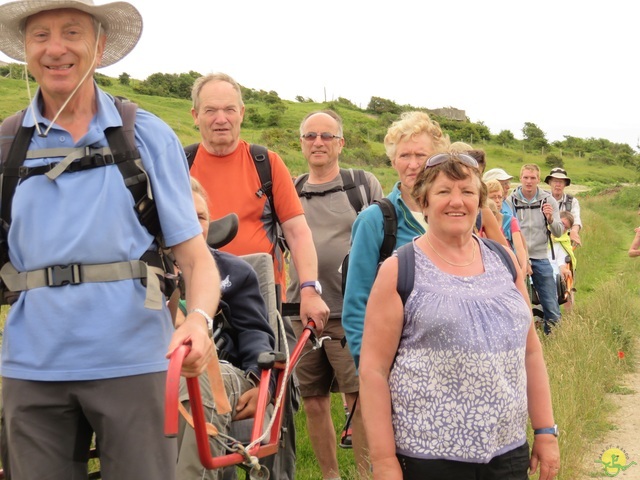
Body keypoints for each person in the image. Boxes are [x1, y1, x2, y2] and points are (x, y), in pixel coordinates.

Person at [0, 2, 220, 479]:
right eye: (40, 36)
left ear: (98, 47)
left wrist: (198, 323)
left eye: (71, 32)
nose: (56, 48)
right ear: (26, 52)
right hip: (31, 369)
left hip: (136, 363)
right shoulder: (6, 145)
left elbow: (199, 263)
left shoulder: (144, 136)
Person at [359, 153, 560, 480]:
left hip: (507, 451)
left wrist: (545, 430)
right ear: (424, 202)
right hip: (429, 458)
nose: (457, 201)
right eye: (443, 192)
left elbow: (531, 351)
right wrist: (383, 462)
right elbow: (373, 371)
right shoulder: (400, 270)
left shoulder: (503, 261)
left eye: (467, 192)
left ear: (479, 201)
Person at [188, 72, 329, 480]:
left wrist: (309, 288)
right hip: (190, 287)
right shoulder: (180, 162)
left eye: (229, 109)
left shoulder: (264, 163)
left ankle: (273, 471)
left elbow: (298, 231)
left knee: (273, 388)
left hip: (252, 292)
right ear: (195, 115)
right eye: (211, 110)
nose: (221, 119)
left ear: (242, 114)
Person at [287, 110, 383, 479]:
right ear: (301, 143)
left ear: (341, 143)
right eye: (310, 136)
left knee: (359, 399)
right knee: (312, 401)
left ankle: (363, 474)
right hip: (301, 311)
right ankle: (329, 476)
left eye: (327, 136)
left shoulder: (361, 184)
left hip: (353, 311)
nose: (318, 143)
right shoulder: (291, 190)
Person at [176, 178, 276, 480]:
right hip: (156, 373)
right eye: (183, 215)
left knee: (200, 375)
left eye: (201, 217)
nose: (194, 224)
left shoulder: (235, 271)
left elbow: (256, 334)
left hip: (224, 373)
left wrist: (261, 382)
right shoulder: (142, 270)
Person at [342, 111, 451, 369]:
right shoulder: (375, 221)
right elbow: (357, 304)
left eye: (420, 155)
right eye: (404, 155)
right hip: (397, 364)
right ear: (393, 161)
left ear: (436, 159)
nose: (412, 164)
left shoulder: (453, 215)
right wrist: (370, 372)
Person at [508, 164, 564, 334]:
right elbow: (507, 231)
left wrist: (550, 218)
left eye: (532, 178)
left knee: (552, 307)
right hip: (517, 258)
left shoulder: (548, 200)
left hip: (540, 257)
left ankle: (553, 341)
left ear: (538, 180)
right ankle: (522, 341)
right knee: (516, 304)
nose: (529, 181)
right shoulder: (511, 200)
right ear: (520, 178)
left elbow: (559, 231)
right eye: (526, 177)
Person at [486, 179, 528, 275]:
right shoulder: (480, 221)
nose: (497, 201)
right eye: (493, 197)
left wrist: (523, 268)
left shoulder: (510, 220)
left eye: (499, 197)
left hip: (508, 266)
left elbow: (519, 248)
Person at [544, 167, 582, 246]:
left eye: (561, 182)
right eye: (555, 181)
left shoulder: (572, 201)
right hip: (544, 242)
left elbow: (576, 220)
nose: (558, 185)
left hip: (564, 243)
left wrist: (574, 231)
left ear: (565, 184)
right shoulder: (543, 199)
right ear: (550, 183)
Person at [548, 211, 577, 312]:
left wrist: (563, 269)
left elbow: (562, 259)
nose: (563, 229)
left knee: (565, 279)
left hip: (555, 271)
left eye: (566, 228)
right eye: (562, 224)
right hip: (539, 266)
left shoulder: (564, 241)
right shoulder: (543, 234)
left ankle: (566, 316)